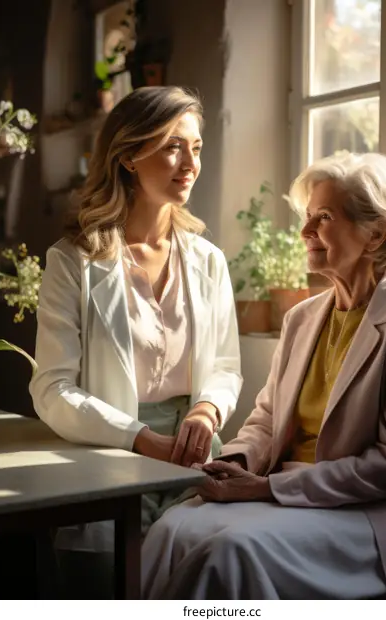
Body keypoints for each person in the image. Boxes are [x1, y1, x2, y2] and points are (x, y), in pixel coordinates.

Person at [141, 152, 386, 600]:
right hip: (284, 489)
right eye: (308, 217)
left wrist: (267, 487)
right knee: (170, 528)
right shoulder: (302, 317)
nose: (305, 231)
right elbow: (267, 418)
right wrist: (235, 464)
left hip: (369, 515)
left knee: (231, 551)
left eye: (323, 217)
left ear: (376, 234)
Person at [28, 86, 243, 573]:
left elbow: (227, 365)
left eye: (196, 147)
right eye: (172, 146)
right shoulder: (72, 261)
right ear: (127, 155)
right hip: (111, 455)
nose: (190, 162)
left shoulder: (208, 260)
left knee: (204, 583)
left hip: (194, 467)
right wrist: (139, 437)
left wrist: (208, 409)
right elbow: (52, 389)